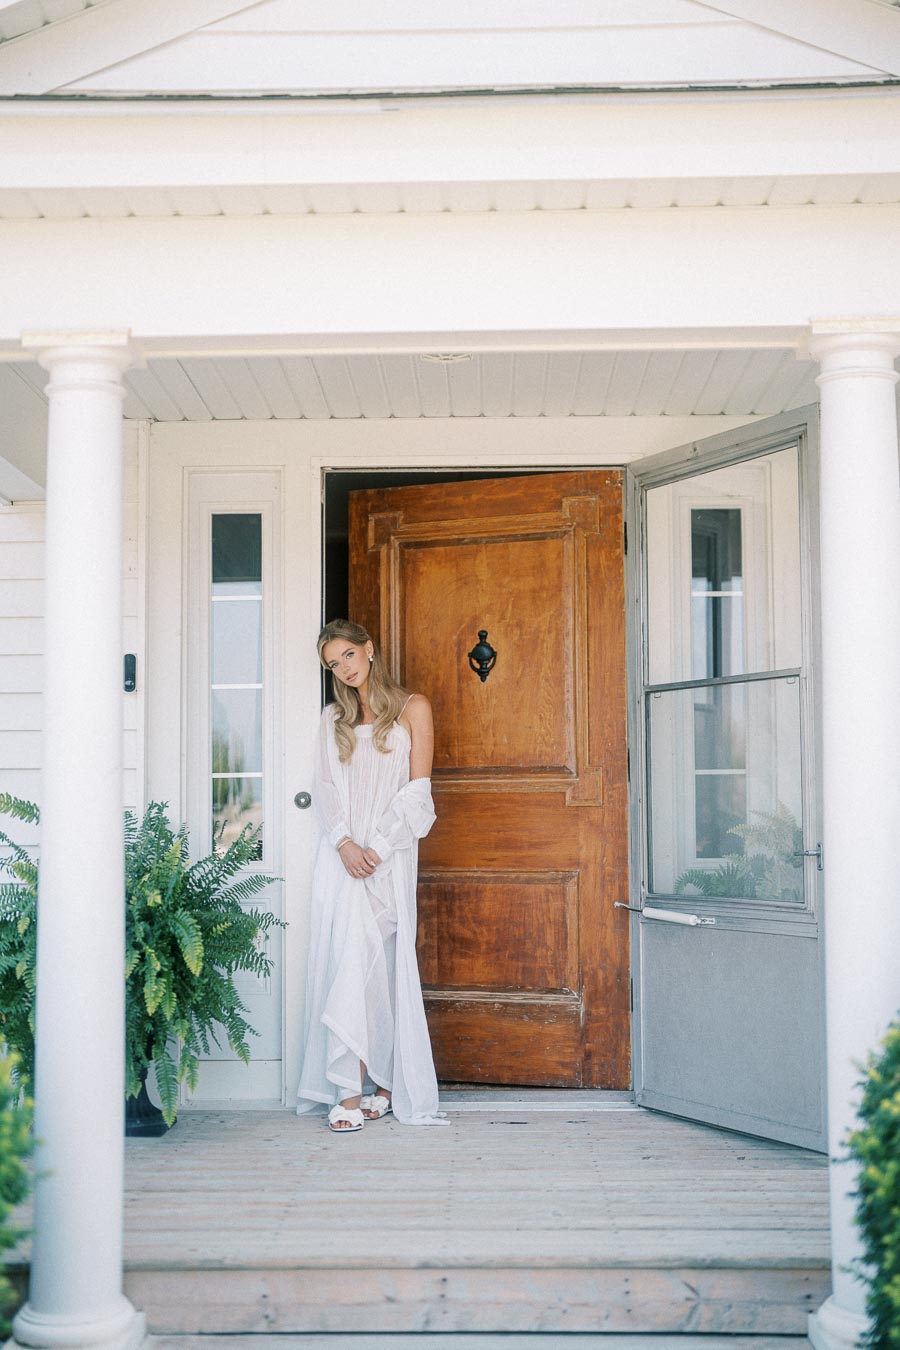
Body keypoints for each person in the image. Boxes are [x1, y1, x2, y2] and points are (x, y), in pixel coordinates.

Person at [296, 619, 447, 1131]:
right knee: (352, 959)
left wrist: (377, 849)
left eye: (347, 656)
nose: (343, 669)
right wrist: (344, 843)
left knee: (381, 965)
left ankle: (384, 1082)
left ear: (369, 649)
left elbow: (418, 791)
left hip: (389, 856)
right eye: (333, 665)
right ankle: (349, 1091)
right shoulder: (332, 717)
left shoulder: (413, 709)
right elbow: (324, 788)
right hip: (343, 859)